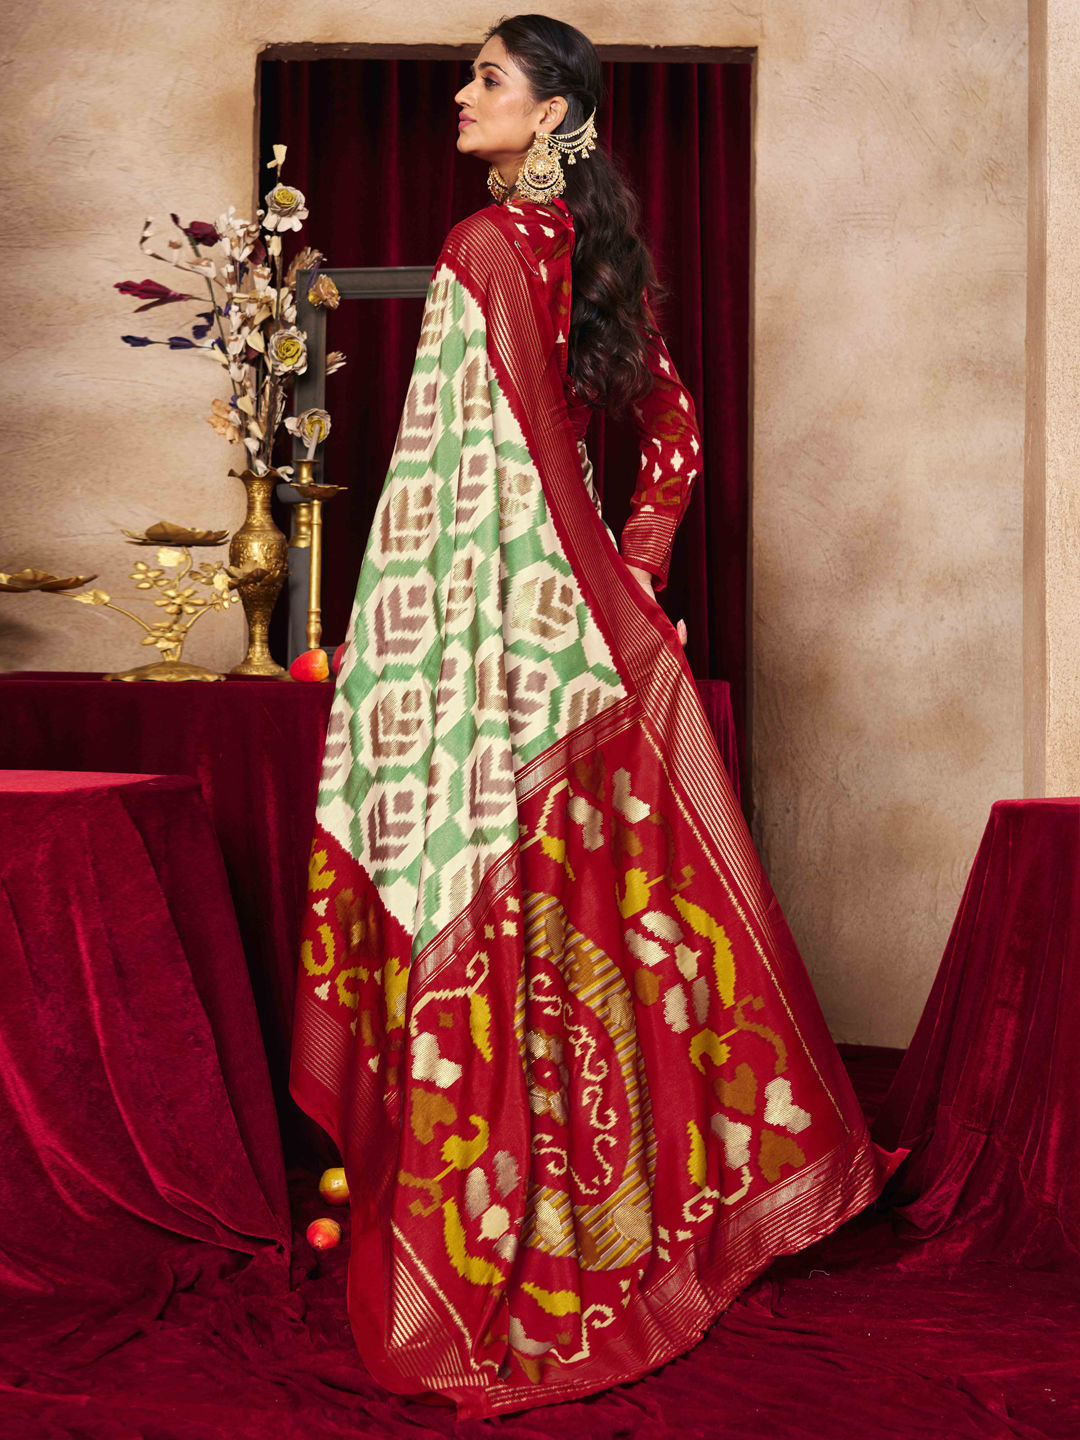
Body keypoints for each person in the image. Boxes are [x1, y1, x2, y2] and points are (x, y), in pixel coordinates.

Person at [289, 13, 905, 1420]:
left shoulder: (483, 247)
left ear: (555, 111)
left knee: (505, 899)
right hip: (578, 633)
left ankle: (506, 1218)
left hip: (509, 638)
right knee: (582, 909)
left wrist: (457, 637)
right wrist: (634, 573)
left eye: (488, 80)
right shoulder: (588, 247)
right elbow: (672, 430)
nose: (461, 96)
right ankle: (633, 1196)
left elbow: (471, 473)